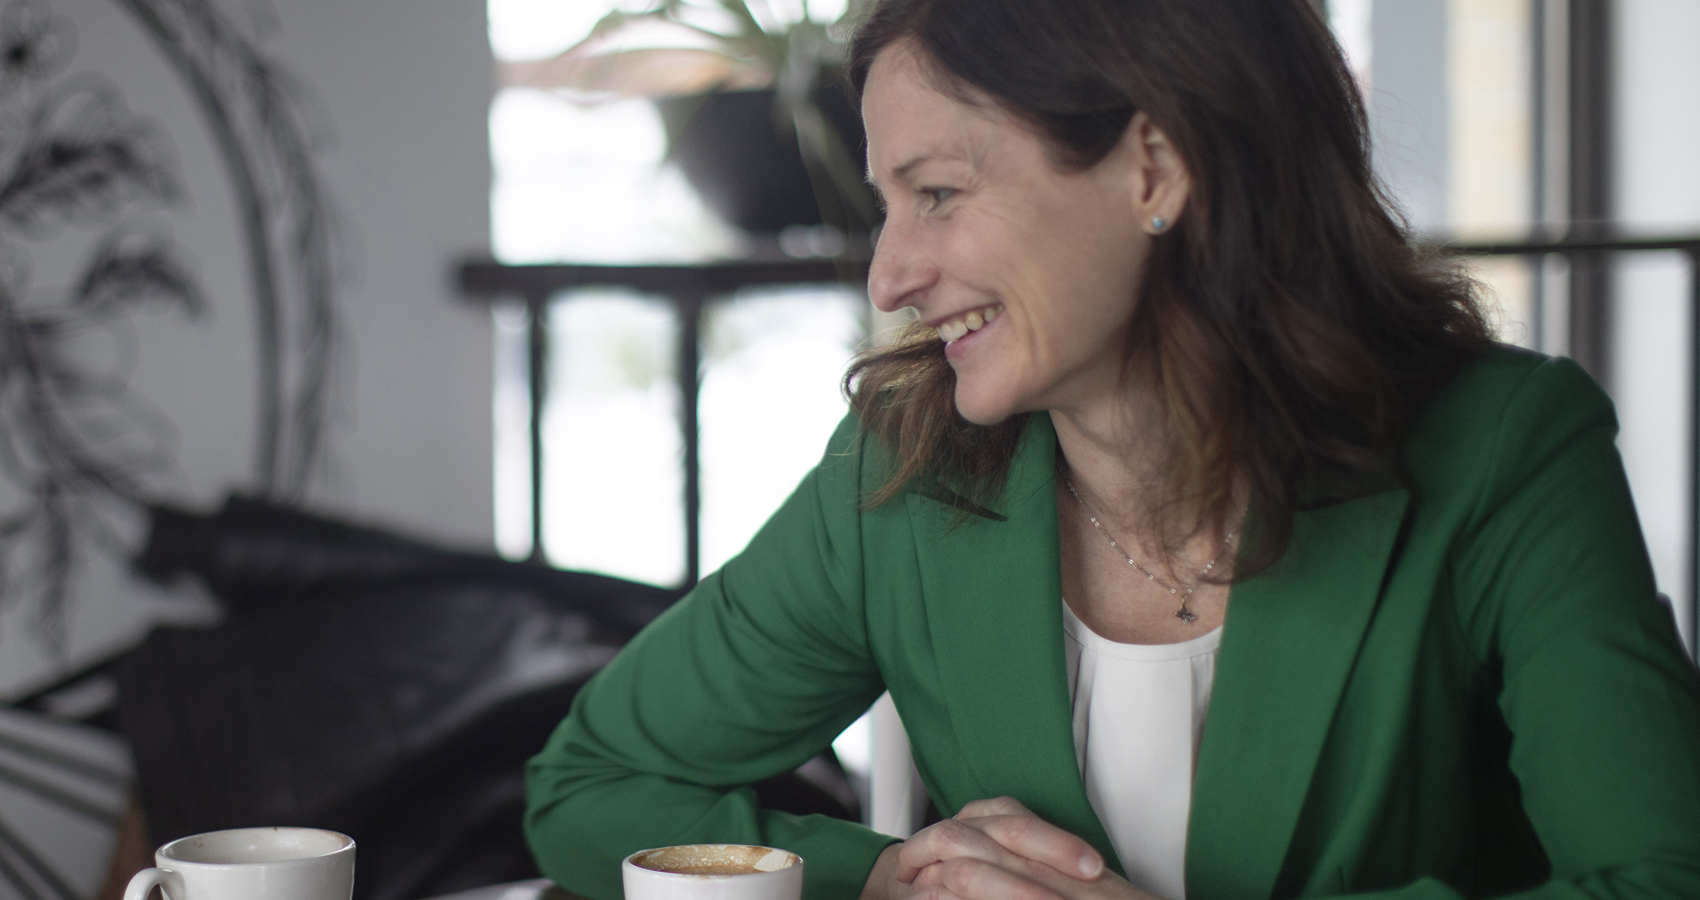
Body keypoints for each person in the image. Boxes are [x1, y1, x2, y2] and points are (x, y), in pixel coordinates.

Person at [522, 0, 1700, 898]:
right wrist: (886, 878)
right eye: (886, 206)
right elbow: (590, 789)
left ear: (1152, 165)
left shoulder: (1505, 449)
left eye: (936, 193)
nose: (889, 274)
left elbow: (1658, 881)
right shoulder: (894, 474)